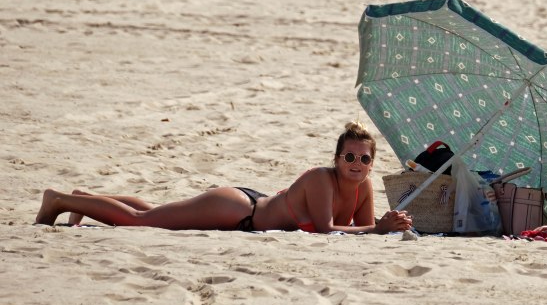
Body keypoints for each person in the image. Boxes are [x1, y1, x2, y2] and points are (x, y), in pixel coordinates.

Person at [35, 122, 414, 235]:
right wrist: (378, 230)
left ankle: (83, 197)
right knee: (143, 222)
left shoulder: (363, 185)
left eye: (364, 159)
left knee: (154, 211)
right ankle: (59, 200)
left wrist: (385, 226)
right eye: (349, 156)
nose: (356, 163)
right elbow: (328, 229)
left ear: (370, 163)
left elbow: (364, 231)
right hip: (237, 209)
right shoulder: (320, 179)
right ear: (336, 158)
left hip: (251, 207)